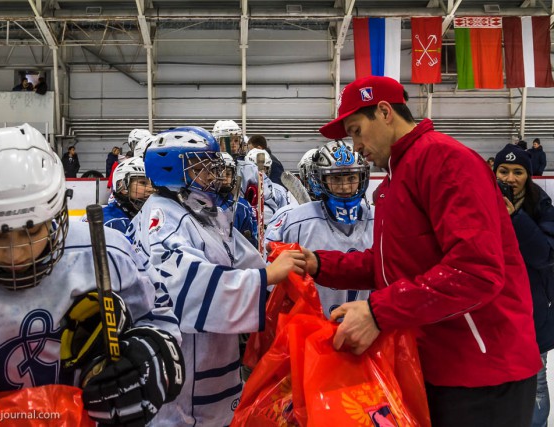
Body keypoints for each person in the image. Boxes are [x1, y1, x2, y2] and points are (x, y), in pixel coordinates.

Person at [303, 75, 541, 427]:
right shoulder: (397, 177)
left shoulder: (444, 161)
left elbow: (475, 272)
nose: (355, 146)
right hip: (435, 365)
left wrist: (377, 312)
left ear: (384, 112)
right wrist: (319, 264)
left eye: (355, 130)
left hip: (483, 375)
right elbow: (388, 264)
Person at [0, 124, 184, 427]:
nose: (16, 254)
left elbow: (157, 319)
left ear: (57, 214)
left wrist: (148, 357)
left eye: (32, 230)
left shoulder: (108, 253)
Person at [131, 128, 307, 426]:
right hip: (185, 386)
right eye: (201, 167)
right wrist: (266, 276)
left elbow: (240, 259)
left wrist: (276, 273)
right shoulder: (162, 220)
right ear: (173, 170)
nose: (213, 173)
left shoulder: (197, 213)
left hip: (209, 372)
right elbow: (186, 288)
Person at [265, 141, 373, 318]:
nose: (345, 187)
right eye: (336, 178)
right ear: (321, 179)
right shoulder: (295, 220)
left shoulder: (380, 218)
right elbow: (274, 284)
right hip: (311, 330)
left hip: (368, 329)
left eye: (351, 178)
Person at [494, 143, 554, 427]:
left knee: (536, 384)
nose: (510, 178)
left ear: (528, 176)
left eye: (518, 171)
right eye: (503, 171)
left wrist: (515, 219)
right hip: (493, 317)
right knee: (494, 384)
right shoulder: (478, 205)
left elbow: (545, 255)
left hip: (532, 317)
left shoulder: (542, 207)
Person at [85, 156, 155, 238]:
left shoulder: (154, 215)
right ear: (122, 187)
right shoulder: (110, 222)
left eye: (153, 183)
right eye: (143, 183)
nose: (152, 189)